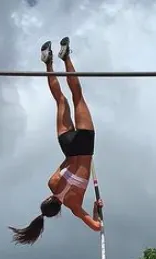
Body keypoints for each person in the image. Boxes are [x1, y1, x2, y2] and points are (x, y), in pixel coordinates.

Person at [9, 37, 103, 244]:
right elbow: (66, 164)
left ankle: (66, 56)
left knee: (78, 96)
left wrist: (96, 208)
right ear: (46, 200)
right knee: (61, 100)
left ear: (58, 210)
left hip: (86, 148)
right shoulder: (52, 183)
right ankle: (48, 62)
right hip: (68, 145)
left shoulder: (75, 206)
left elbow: (97, 227)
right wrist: (71, 161)